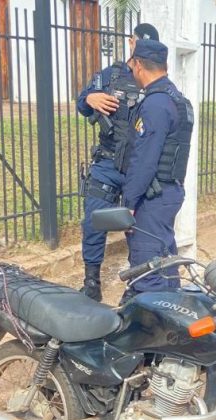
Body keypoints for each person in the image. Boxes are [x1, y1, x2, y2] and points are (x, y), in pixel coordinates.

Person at [75, 23, 160, 302]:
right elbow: (81, 103)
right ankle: (91, 282)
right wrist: (89, 98)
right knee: (94, 220)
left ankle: (138, 285)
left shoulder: (154, 80)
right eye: (137, 42)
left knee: (141, 226)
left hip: (139, 166)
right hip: (108, 163)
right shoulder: (110, 75)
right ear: (131, 42)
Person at [118, 39, 194, 299]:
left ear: (138, 64)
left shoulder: (156, 103)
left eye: (132, 64)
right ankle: (173, 309)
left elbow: (144, 159)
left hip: (152, 198)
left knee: (147, 271)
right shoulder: (177, 99)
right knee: (165, 263)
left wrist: (129, 204)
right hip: (168, 192)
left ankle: (152, 318)